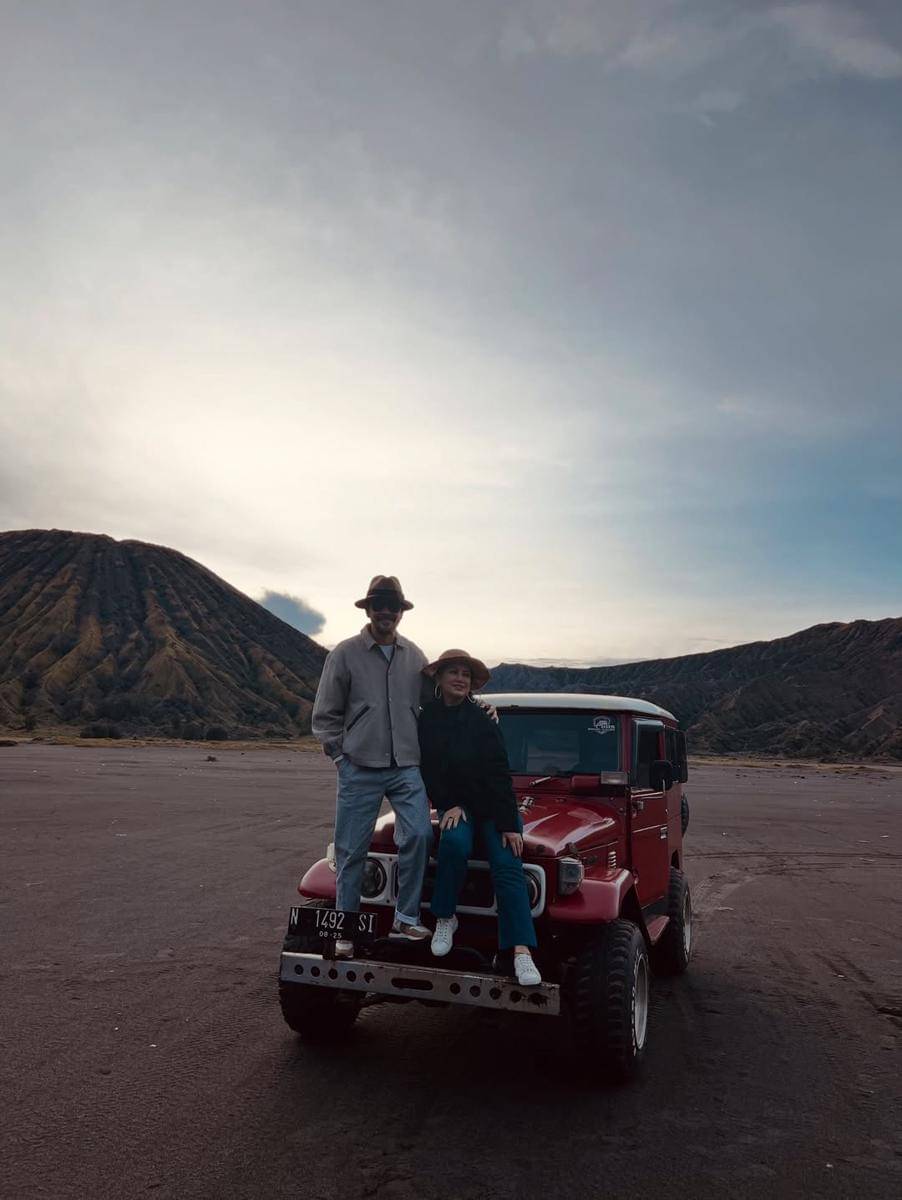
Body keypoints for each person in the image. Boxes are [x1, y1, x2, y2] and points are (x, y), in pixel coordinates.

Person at [312, 575, 433, 958]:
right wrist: (339, 756)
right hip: (359, 766)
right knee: (351, 849)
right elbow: (325, 713)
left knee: (418, 836)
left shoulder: (415, 657)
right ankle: (345, 928)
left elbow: (437, 705)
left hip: (406, 766)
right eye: (378, 604)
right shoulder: (345, 654)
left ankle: (406, 917)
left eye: (393, 606)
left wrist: (480, 710)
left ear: (401, 612)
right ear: (368, 609)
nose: (386, 612)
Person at [418, 650, 542, 987]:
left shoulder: (484, 718)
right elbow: (430, 768)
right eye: (453, 672)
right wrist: (448, 803)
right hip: (457, 806)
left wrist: (506, 824)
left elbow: (499, 772)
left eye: (466, 675)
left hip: (494, 807)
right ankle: (445, 917)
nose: (460, 678)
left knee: (507, 860)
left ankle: (520, 950)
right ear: (439, 678)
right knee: (454, 843)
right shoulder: (427, 718)